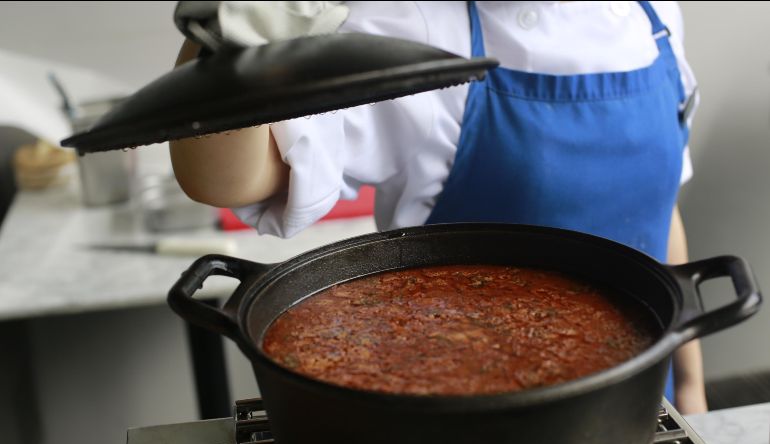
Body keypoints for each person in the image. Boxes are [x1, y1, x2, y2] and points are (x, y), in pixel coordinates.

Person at [169, 1, 707, 414]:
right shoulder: (419, 24)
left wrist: (690, 388)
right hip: (447, 420)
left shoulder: (653, 15)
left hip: (639, 409)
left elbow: (661, 219)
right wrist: (234, 29)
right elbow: (224, 178)